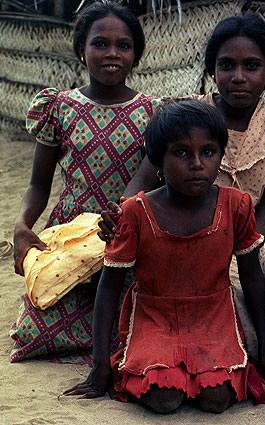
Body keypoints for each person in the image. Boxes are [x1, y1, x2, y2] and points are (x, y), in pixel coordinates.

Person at [98, 14, 265, 378]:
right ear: (212, 70)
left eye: (252, 66)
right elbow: (144, 178)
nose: (238, 77)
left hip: (257, 228)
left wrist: (245, 245)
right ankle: (236, 358)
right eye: (227, 66)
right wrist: (120, 214)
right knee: (226, 286)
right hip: (189, 231)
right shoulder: (189, 114)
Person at [64, 98, 265, 413]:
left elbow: (251, 277)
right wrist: (100, 365)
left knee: (216, 399)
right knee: (164, 399)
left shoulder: (236, 206)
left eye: (208, 152)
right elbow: (110, 287)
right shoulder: (136, 212)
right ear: (157, 159)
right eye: (181, 153)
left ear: (221, 156)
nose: (197, 164)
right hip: (155, 317)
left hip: (213, 316)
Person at [10, 0, 166, 363]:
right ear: (82, 51)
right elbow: (38, 183)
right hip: (70, 241)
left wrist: (123, 216)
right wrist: (21, 225)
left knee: (133, 326)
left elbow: (152, 178)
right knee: (35, 333)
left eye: (123, 46)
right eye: (100, 44)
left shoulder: (155, 113)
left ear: (136, 55)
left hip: (129, 234)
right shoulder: (59, 107)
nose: (112, 53)